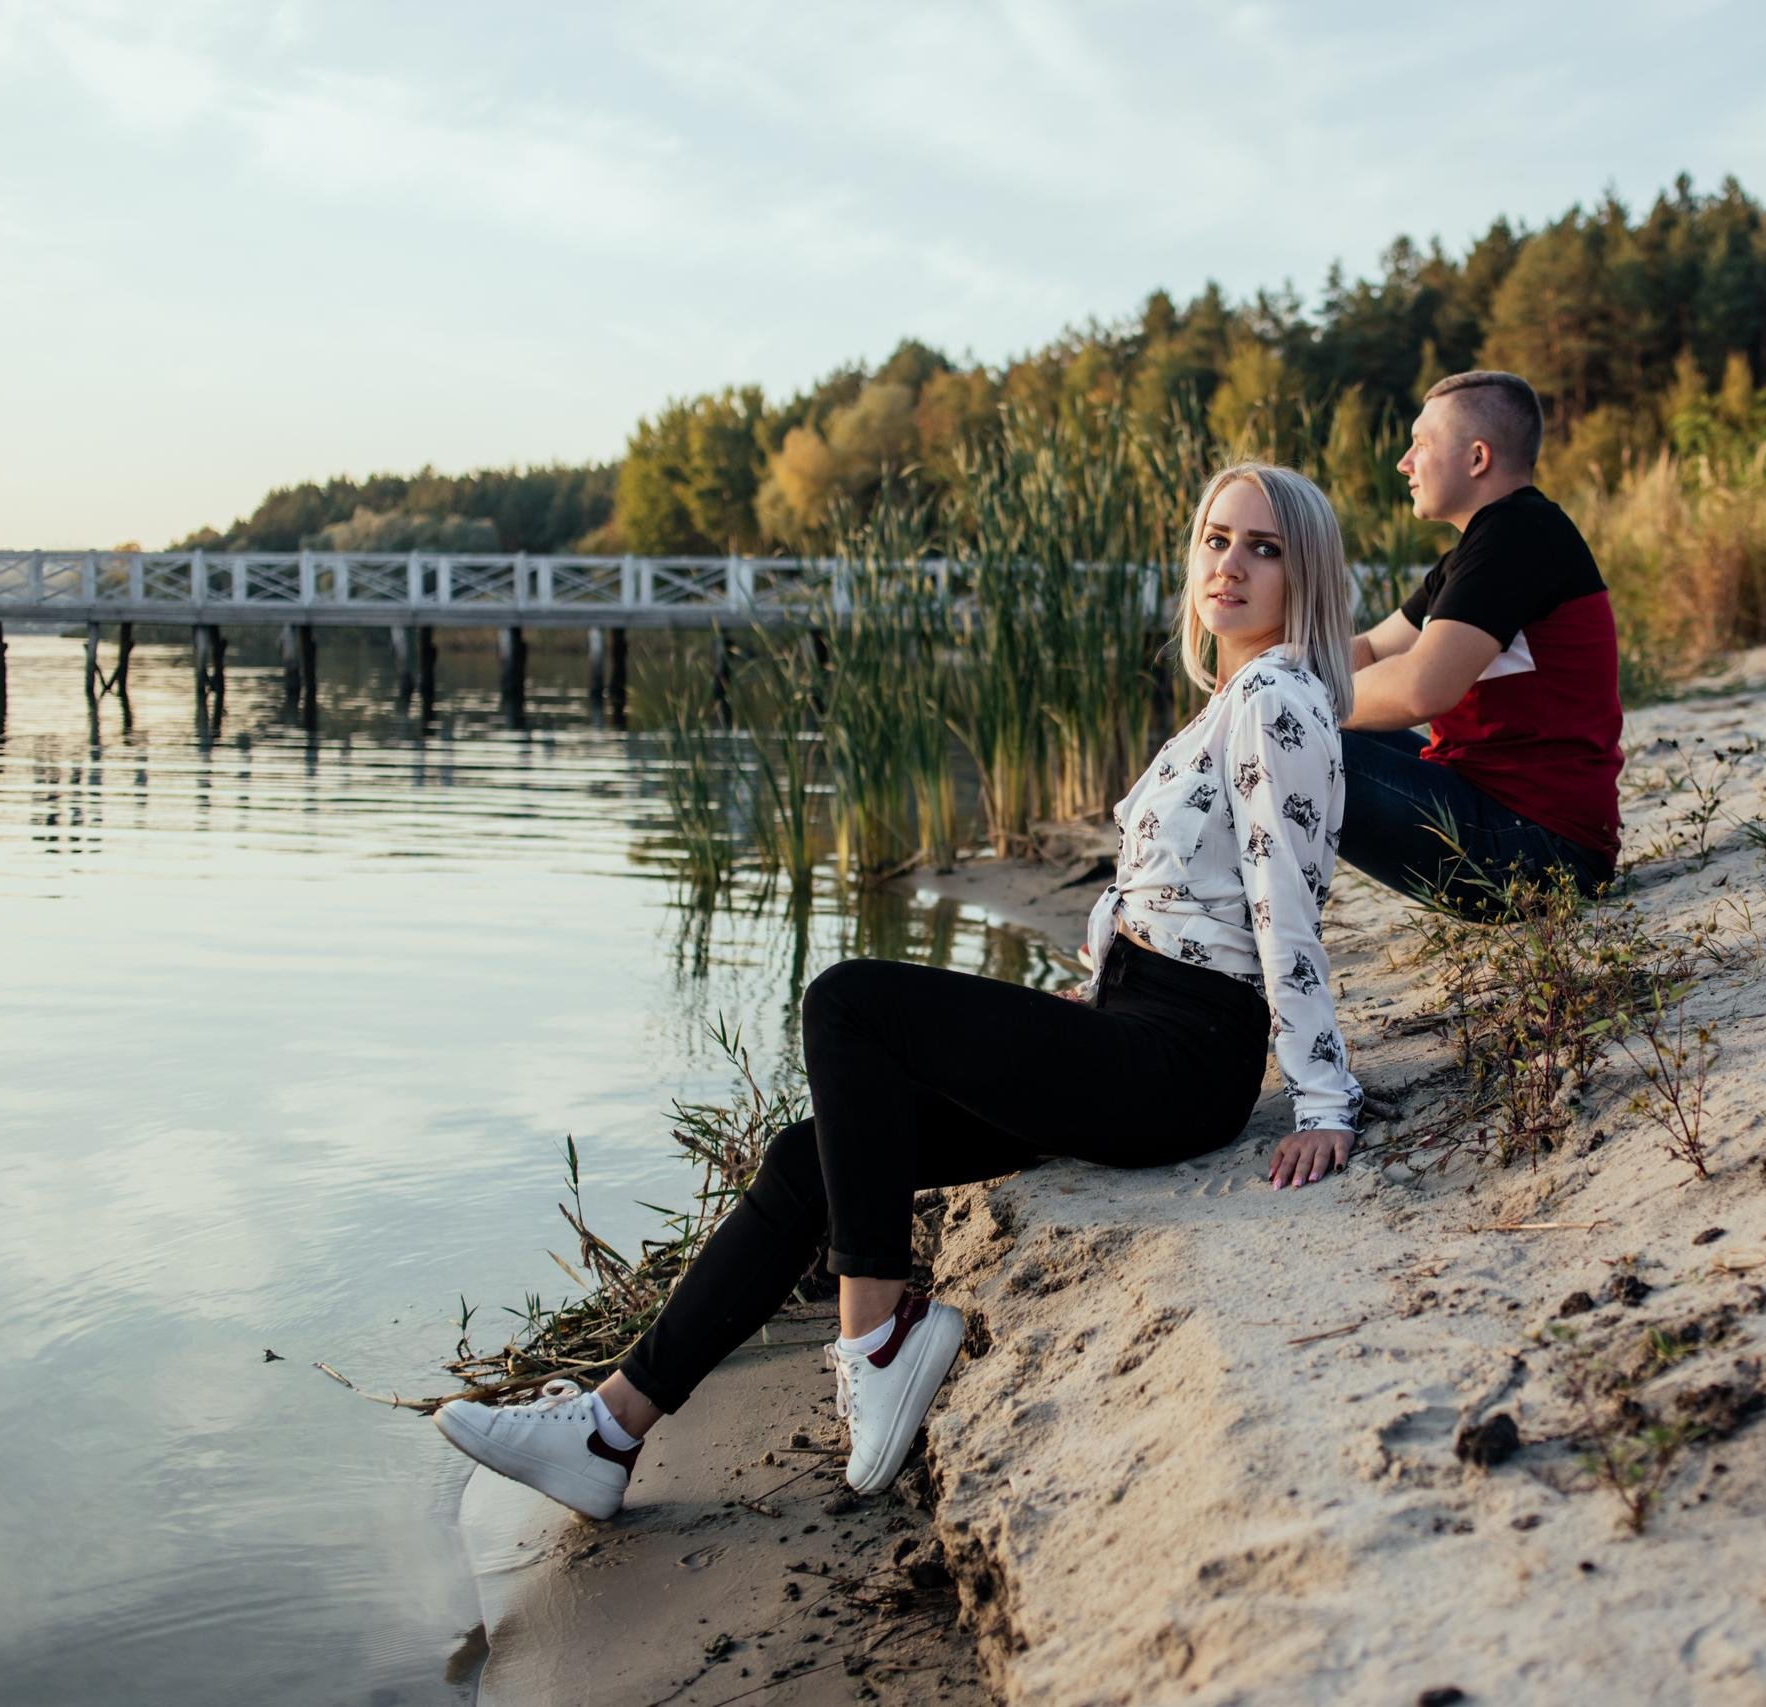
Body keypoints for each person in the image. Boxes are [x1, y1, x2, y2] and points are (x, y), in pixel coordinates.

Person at [433, 464, 1364, 1519]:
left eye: (1263, 547)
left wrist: (1322, 1097)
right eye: (1214, 539)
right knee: (809, 1154)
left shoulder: (1276, 697)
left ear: (1307, 574)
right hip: (1135, 1031)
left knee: (848, 1001)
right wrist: (1085, 1001)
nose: (1228, 565)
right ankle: (606, 1429)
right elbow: (1169, 899)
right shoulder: (1225, 705)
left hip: (1182, 1061)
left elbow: (1287, 901)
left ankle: (875, 1338)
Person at [1339, 370, 1624, 915]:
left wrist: (1290, 706)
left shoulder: (1518, 536)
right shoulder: (1479, 549)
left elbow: (1423, 689)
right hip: (1501, 818)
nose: (1404, 462)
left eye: (1421, 444)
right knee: (1277, 726)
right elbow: (1372, 650)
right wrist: (1266, 671)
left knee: (1286, 744)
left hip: (1544, 851)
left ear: (1476, 459)